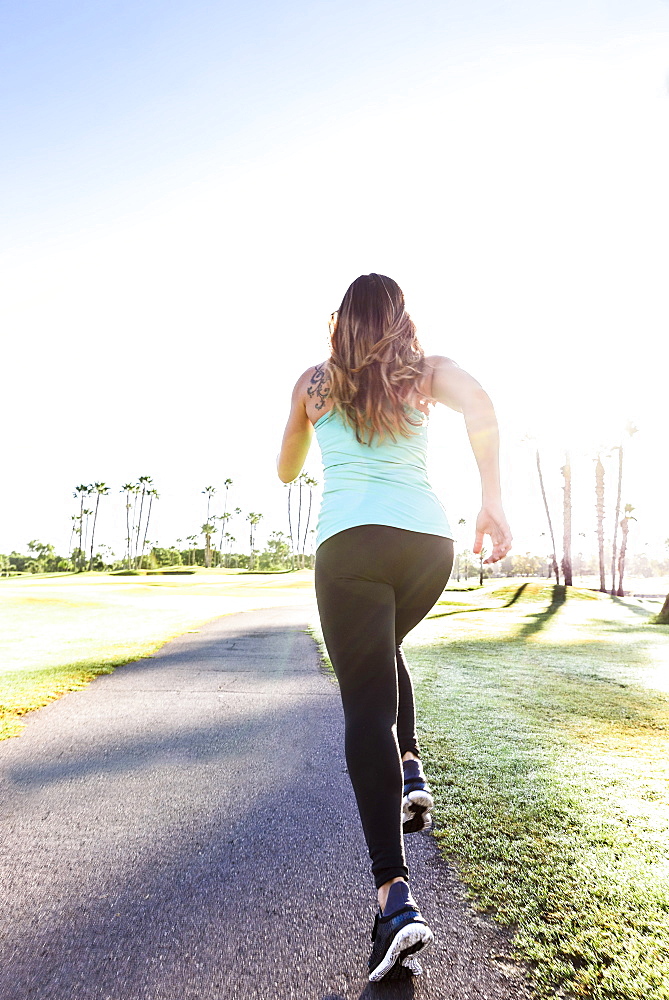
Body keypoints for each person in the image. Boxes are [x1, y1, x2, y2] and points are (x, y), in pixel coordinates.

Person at [277, 273, 512, 982]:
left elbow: (286, 470)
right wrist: (491, 499)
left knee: (364, 705)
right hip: (426, 547)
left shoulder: (314, 384)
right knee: (384, 656)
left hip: (350, 547)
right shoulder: (425, 373)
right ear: (401, 319)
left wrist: (305, 427)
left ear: (339, 320)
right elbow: (481, 404)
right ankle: (410, 766)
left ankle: (394, 900)